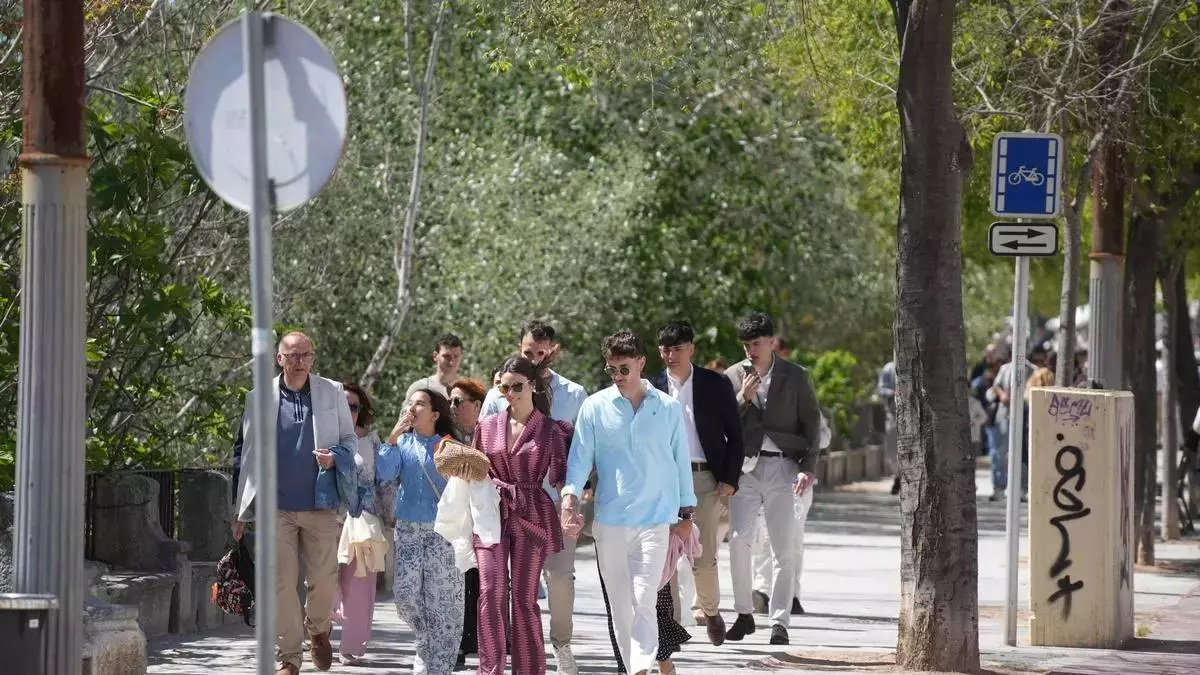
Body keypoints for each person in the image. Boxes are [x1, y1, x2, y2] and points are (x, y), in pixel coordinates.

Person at [561, 329, 696, 675]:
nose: (618, 376)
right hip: (610, 521)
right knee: (621, 607)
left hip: (655, 520)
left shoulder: (667, 408)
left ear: (641, 363)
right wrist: (569, 496)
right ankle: (635, 667)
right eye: (611, 370)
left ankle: (640, 668)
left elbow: (681, 460)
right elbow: (579, 459)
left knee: (644, 598)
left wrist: (686, 512)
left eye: (624, 368)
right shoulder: (595, 407)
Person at [233, 331, 359, 675]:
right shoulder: (258, 397)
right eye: (293, 355)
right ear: (280, 359)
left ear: (313, 357)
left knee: (324, 578)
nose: (301, 361)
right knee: (281, 583)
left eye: (306, 355)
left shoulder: (331, 391)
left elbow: (350, 440)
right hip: (276, 507)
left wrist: (335, 457)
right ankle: (288, 657)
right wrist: (240, 510)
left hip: (321, 502)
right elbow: (245, 454)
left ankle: (318, 628)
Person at [480, 320, 587, 674]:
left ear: (553, 352)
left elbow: (581, 454)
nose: (535, 358)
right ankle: (492, 668)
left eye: (542, 352)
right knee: (492, 589)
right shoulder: (493, 404)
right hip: (496, 510)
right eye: (529, 352)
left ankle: (557, 647)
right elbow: (478, 458)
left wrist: (574, 499)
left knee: (554, 581)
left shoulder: (572, 397)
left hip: (546, 507)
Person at [723, 313, 822, 646]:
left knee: (783, 548)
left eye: (756, 344)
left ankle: (779, 622)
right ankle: (743, 613)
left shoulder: (796, 376)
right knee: (739, 540)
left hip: (783, 468)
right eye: (745, 345)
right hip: (745, 470)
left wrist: (808, 468)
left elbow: (812, 426)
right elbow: (721, 426)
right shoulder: (732, 376)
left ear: (770, 342)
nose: (750, 351)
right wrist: (742, 398)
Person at [650, 320, 743, 644]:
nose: (671, 355)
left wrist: (729, 478)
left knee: (702, 555)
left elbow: (736, 435)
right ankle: (673, 625)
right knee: (665, 556)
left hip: (704, 479)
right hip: (664, 480)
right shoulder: (651, 387)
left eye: (677, 348)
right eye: (665, 349)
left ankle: (711, 611)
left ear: (691, 348)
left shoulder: (714, 384)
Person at [375, 389, 463, 675]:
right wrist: (392, 436)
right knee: (405, 594)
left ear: (435, 414)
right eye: (410, 402)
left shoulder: (449, 446)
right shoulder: (402, 443)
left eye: (420, 404)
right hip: (408, 530)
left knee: (443, 601)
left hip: (442, 533)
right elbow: (385, 473)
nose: (412, 407)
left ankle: (440, 664)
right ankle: (424, 641)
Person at [332, 382, 383, 665]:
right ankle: (317, 631)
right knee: (322, 581)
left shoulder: (371, 441)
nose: (349, 411)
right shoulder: (324, 436)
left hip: (362, 520)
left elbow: (383, 482)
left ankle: (350, 646)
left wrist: (389, 518)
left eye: (354, 406)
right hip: (328, 516)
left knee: (359, 586)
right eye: (343, 405)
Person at [448, 377, 487, 667]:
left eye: (458, 401)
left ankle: (487, 642)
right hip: (457, 521)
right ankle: (458, 643)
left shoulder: (491, 433)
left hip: (486, 519)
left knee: (483, 584)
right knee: (458, 581)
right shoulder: (446, 436)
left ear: (476, 405)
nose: (452, 406)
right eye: (450, 401)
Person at [406, 333, 465, 400]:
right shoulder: (420, 387)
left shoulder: (468, 389)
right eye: (446, 356)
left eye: (456, 356)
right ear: (435, 356)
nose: (451, 361)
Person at [877, 360, 899, 495]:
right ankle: (898, 474)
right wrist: (892, 393)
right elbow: (881, 389)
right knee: (892, 449)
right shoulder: (889, 368)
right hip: (893, 415)